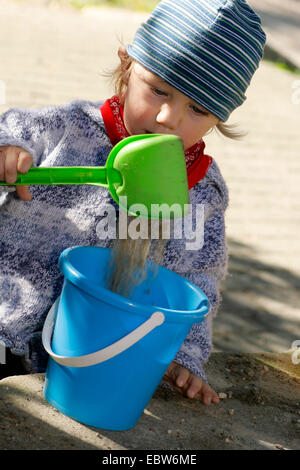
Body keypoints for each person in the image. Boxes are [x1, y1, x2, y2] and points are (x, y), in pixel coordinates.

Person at [0, 0, 266, 404]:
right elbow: (16, 129)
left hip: (101, 363)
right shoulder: (67, 129)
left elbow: (199, 281)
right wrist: (9, 150)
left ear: (219, 119)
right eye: (158, 89)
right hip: (7, 327)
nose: (167, 118)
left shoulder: (202, 193)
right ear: (127, 67)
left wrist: (184, 355)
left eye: (197, 108)